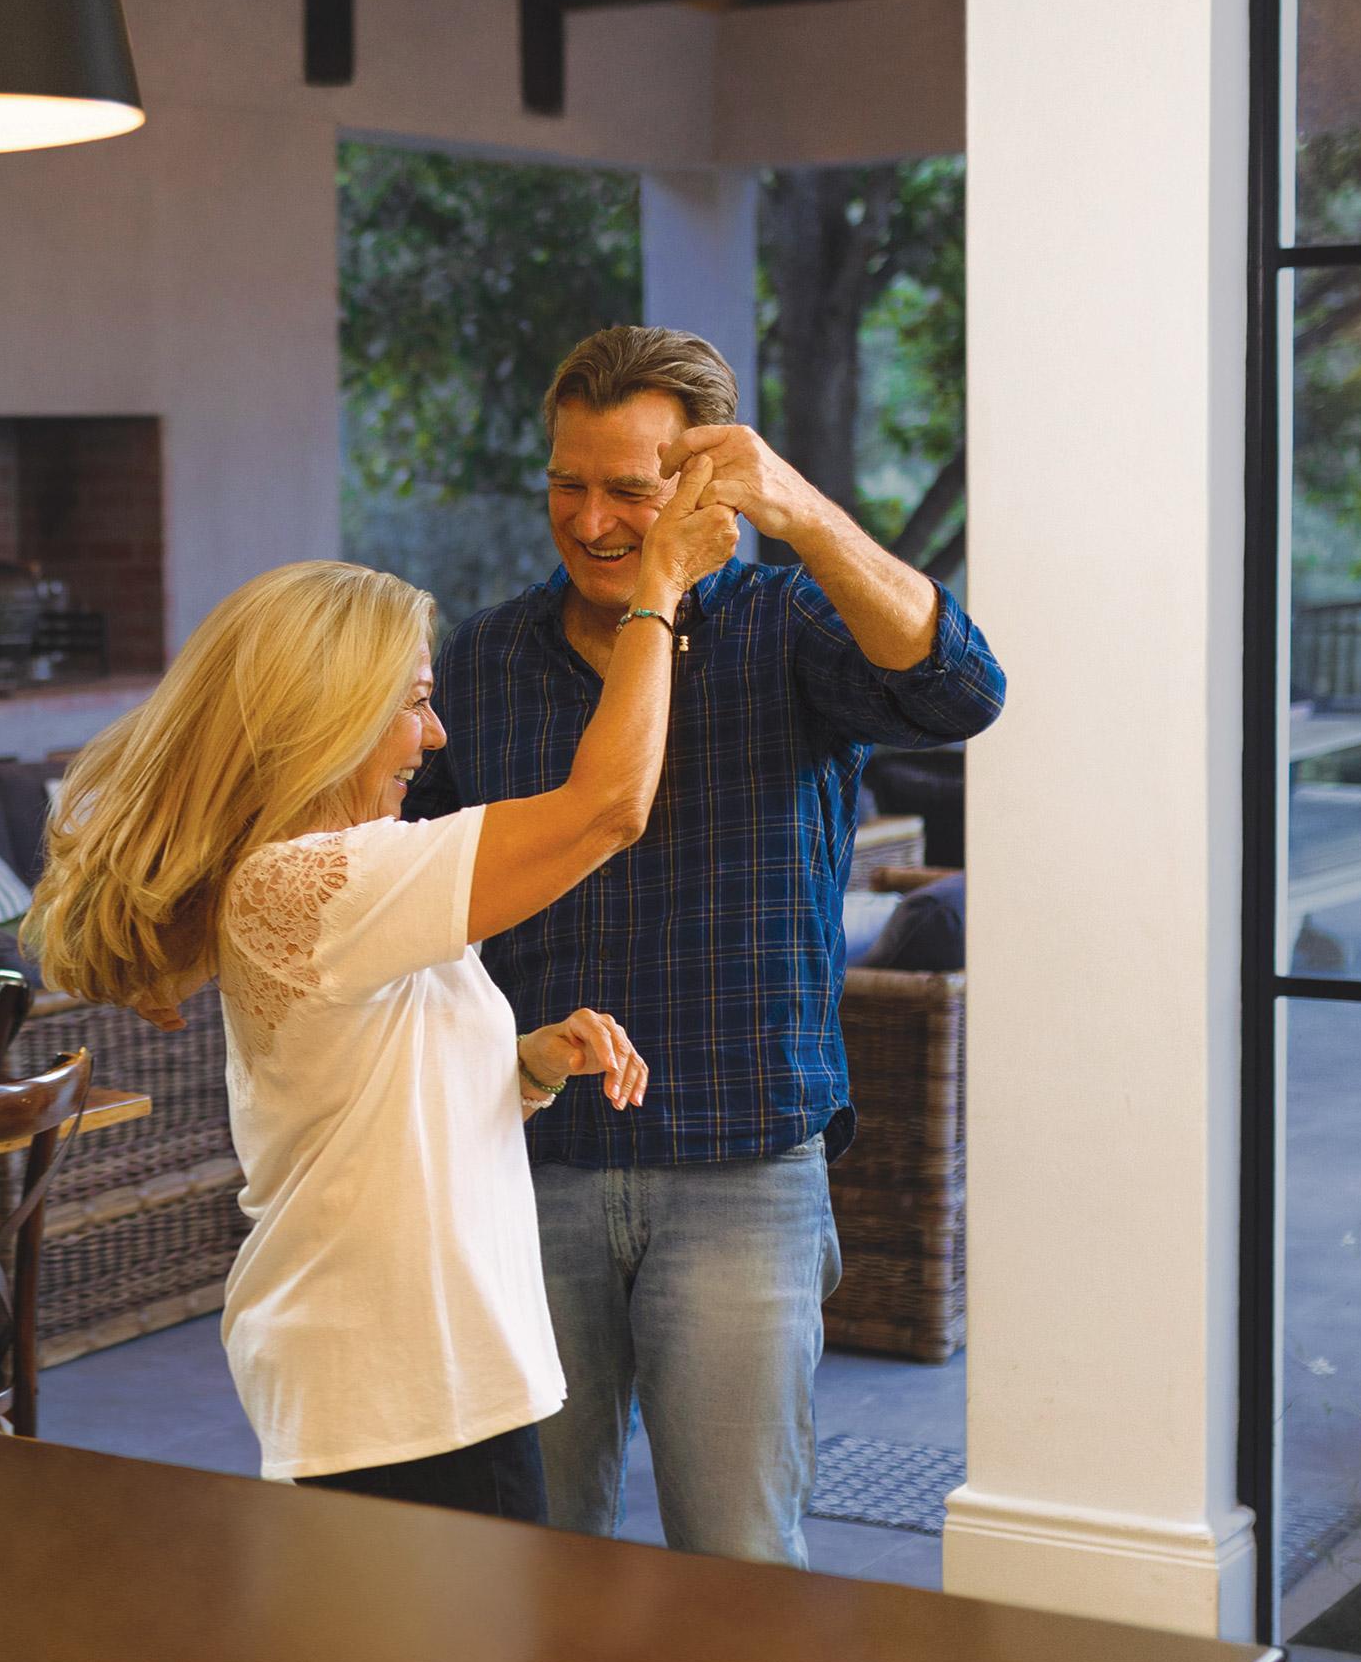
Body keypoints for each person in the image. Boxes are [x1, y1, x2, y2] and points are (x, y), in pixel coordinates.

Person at [23, 467, 739, 1520]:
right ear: (328, 720)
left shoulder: (345, 878)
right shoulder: (311, 880)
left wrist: (527, 1065)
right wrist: (659, 587)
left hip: (417, 1382)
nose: (435, 734)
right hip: (404, 1391)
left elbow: (376, 1093)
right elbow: (606, 811)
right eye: (413, 703)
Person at [404, 325, 1008, 1566]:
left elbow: (962, 691)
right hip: (525, 1162)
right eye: (567, 483)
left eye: (629, 488)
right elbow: (413, 883)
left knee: (740, 1569)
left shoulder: (792, 625)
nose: (591, 520)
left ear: (707, 479)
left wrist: (804, 514)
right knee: (531, 1564)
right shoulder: (487, 658)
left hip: (744, 1168)